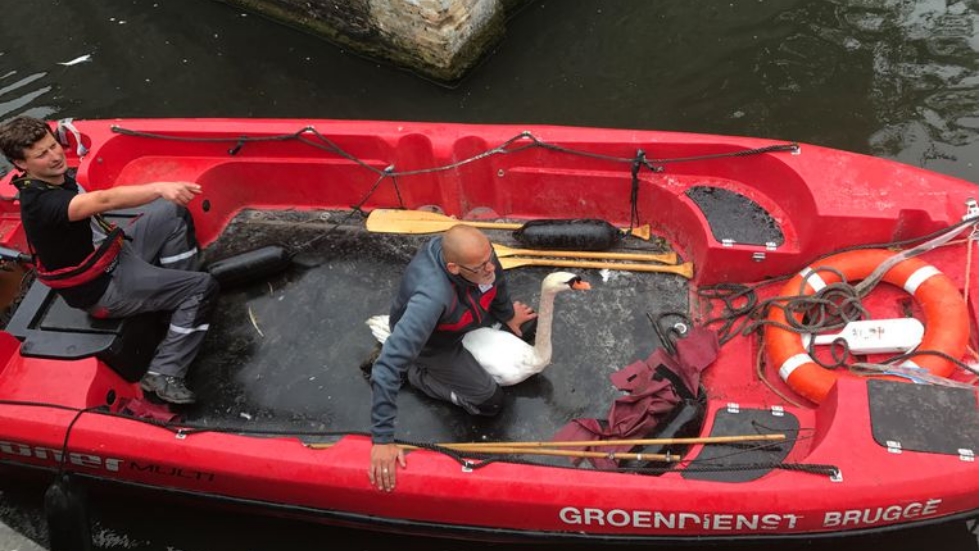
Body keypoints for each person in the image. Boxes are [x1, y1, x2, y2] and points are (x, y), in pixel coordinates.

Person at [0, 116, 219, 404]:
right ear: (22, 165)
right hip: (103, 288)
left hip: (114, 251)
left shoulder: (56, 177)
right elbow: (103, 201)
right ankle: (164, 372)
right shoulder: (43, 204)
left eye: (53, 146)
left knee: (171, 214)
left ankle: (172, 301)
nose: (54, 157)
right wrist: (158, 187)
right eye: (41, 155)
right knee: (202, 288)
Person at [368, 224, 537, 492]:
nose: (490, 269)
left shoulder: (479, 259)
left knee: (524, 329)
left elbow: (497, 282)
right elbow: (387, 368)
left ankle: (474, 333)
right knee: (489, 403)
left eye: (489, 259)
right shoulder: (431, 299)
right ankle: (417, 373)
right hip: (435, 343)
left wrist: (506, 315)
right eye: (481, 267)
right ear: (453, 268)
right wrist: (382, 439)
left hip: (462, 318)